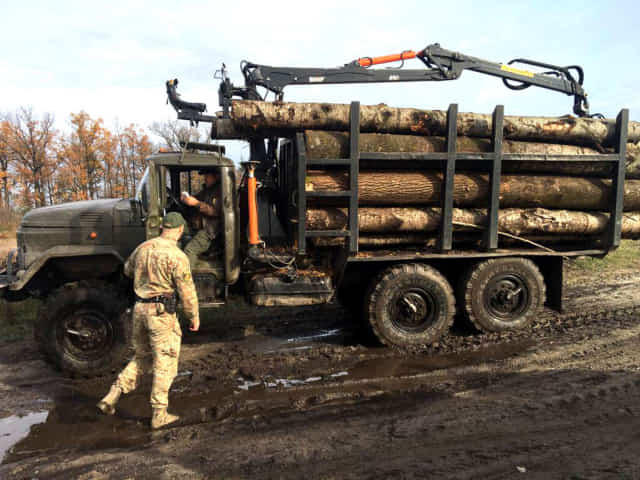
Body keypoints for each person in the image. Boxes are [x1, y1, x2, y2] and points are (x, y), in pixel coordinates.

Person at [97, 212, 200, 429]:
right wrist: (193, 316)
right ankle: (159, 414)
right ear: (180, 230)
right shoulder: (177, 255)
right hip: (161, 314)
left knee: (142, 357)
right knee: (166, 362)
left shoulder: (142, 248)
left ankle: (113, 394)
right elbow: (186, 290)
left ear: (163, 227)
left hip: (139, 310)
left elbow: (127, 270)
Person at [181, 171, 222, 269]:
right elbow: (197, 197)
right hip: (200, 226)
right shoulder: (208, 190)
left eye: (207, 176)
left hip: (210, 230)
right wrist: (187, 199)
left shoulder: (220, 191)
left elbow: (216, 211)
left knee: (190, 250)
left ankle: (185, 281)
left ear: (215, 176)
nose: (205, 179)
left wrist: (196, 203)